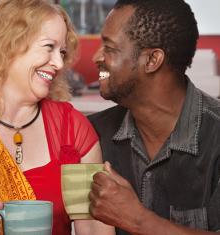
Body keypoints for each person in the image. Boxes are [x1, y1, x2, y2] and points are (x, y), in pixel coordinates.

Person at [0, 0, 115, 234]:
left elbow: (94, 229)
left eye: (62, 52)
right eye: (49, 47)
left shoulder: (71, 128)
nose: (58, 63)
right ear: (8, 45)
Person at [88, 0, 220, 234]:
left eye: (109, 47)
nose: (96, 57)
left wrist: (137, 220)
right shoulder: (93, 134)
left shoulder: (215, 136)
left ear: (152, 60)